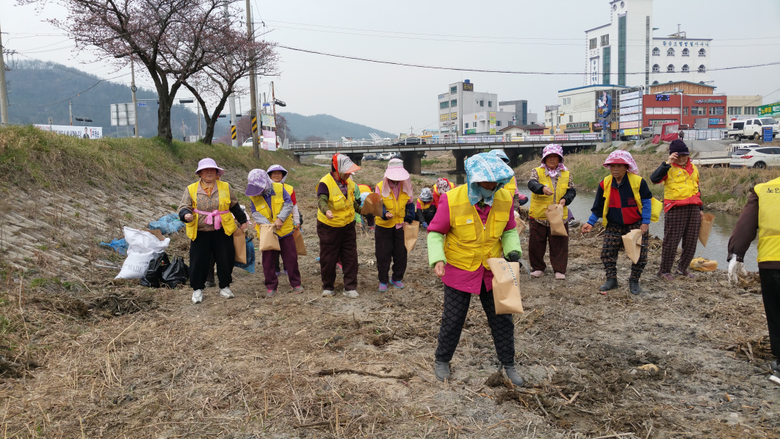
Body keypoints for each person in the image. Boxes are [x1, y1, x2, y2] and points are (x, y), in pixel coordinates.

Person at [427, 152, 524, 386]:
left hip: (494, 268)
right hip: (460, 267)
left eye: (495, 182)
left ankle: (508, 363)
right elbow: (435, 232)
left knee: (503, 318)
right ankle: (442, 360)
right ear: (473, 179)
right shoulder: (451, 199)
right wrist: (437, 259)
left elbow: (510, 230)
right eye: (486, 182)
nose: (491, 186)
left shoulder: (504, 198)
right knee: (453, 318)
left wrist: (514, 253)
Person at [727, 176, 780, 377]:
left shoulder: (764, 190)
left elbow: (745, 226)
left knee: (776, 315)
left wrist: (736, 254)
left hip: (772, 262)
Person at [178, 158, 249, 304]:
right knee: (198, 261)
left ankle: (225, 286)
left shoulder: (225, 186)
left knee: (225, 259)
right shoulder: (191, 189)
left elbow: (234, 205)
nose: (209, 172)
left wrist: (243, 221)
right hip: (200, 230)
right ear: (200, 173)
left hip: (222, 229)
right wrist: (186, 215)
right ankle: (197, 289)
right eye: (205, 170)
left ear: (216, 172)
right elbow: (183, 206)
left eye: (212, 169)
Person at [581, 151, 653, 295]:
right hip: (613, 224)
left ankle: (634, 281)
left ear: (627, 166)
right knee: (607, 253)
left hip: (635, 224)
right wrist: (590, 223)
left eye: (619, 165)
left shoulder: (638, 182)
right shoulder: (604, 183)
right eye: (612, 165)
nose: (615, 169)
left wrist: (645, 222)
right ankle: (611, 280)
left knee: (640, 256)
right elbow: (598, 207)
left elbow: (646, 202)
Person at [650, 139, 703, 280]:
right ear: (672, 156)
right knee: (671, 241)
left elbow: (697, 188)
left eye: (683, 155)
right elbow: (654, 179)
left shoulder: (693, 168)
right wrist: (667, 163)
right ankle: (664, 270)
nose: (681, 159)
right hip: (675, 207)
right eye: (677, 156)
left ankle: (682, 269)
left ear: (688, 155)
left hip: (694, 207)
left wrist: (701, 208)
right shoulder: (668, 168)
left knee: (691, 241)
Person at [246, 169, 303, 298]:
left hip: (285, 231)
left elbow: (289, 204)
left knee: (291, 258)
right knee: (268, 261)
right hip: (267, 232)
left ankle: (295, 283)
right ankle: (271, 286)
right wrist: (269, 225)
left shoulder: (279, 188)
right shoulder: (253, 195)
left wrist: (280, 218)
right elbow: (255, 213)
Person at [527, 144, 576, 280]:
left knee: (559, 243)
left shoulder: (566, 173)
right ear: (544, 158)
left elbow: (572, 190)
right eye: (549, 156)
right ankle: (538, 268)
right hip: (539, 215)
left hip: (559, 215)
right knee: (536, 244)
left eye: (555, 157)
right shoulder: (537, 171)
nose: (552, 159)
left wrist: (566, 199)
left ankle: (559, 270)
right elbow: (531, 184)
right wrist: (541, 188)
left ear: (560, 159)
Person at [316, 153, 362, 298]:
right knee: (328, 257)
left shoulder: (350, 183)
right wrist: (326, 211)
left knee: (350, 256)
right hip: (329, 226)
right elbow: (321, 200)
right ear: (337, 169)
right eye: (347, 172)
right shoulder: (325, 182)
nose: (349, 174)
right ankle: (328, 286)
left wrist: (367, 211)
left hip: (348, 225)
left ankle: (350, 287)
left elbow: (353, 203)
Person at [375, 159, 416, 291]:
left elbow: (410, 204)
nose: (396, 181)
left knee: (401, 253)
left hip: (400, 225)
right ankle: (383, 280)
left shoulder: (407, 186)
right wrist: (384, 213)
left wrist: (408, 219)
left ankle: (397, 278)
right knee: (383, 253)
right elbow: (376, 205)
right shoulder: (380, 186)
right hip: (384, 227)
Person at [267, 164, 300, 277]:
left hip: (286, 223)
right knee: (272, 247)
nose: (276, 175)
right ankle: (275, 269)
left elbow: (294, 206)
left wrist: (297, 220)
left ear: (283, 175)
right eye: (274, 173)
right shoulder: (265, 188)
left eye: (279, 173)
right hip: (270, 223)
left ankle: (288, 268)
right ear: (269, 175)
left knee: (288, 248)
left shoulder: (289, 188)